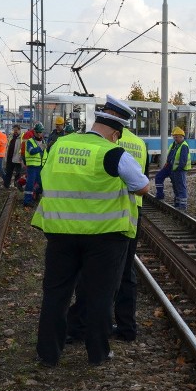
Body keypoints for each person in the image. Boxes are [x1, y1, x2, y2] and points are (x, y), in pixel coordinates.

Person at [32, 95, 149, 367]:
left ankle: (48, 354)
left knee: (55, 293)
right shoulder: (112, 152)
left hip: (60, 232)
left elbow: (47, 175)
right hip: (104, 237)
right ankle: (97, 354)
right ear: (115, 133)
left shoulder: (61, 144)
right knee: (100, 295)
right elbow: (142, 186)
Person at [67, 123, 149, 343]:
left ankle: (83, 326)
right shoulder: (140, 143)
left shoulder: (107, 141)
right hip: (133, 212)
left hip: (108, 212)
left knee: (93, 272)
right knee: (126, 272)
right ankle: (126, 327)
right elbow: (144, 179)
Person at [154, 126, 192, 210]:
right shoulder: (174, 144)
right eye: (174, 136)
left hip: (180, 170)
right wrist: (167, 163)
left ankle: (182, 206)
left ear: (181, 137)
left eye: (176, 137)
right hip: (170, 167)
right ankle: (173, 201)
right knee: (160, 177)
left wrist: (177, 170)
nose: (174, 138)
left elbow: (183, 161)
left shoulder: (184, 146)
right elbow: (170, 156)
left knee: (180, 187)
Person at [22, 123, 47, 208]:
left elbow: (45, 154)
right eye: (38, 132)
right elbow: (31, 151)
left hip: (41, 166)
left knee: (41, 184)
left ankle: (35, 194)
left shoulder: (43, 141)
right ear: (35, 132)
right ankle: (27, 201)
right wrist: (40, 148)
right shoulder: (30, 141)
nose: (40, 134)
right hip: (32, 167)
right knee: (30, 183)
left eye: (41, 132)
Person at [2, 124, 24, 189]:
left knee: (18, 173)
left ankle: (16, 186)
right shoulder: (11, 136)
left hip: (18, 158)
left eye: (16, 130)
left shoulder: (22, 137)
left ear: (19, 130)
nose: (15, 131)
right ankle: (6, 186)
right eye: (14, 130)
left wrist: (21, 157)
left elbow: (23, 147)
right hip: (10, 157)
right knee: (8, 172)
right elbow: (7, 145)